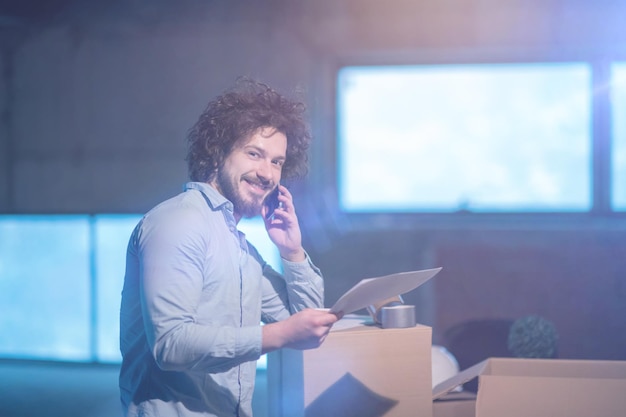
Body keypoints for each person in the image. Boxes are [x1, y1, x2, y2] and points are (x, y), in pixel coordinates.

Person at [119, 79, 339, 417]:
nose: (267, 173)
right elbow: (171, 345)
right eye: (254, 154)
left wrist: (292, 252)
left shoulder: (242, 248)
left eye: (277, 162)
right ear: (219, 151)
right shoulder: (178, 222)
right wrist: (278, 334)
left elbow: (306, 326)